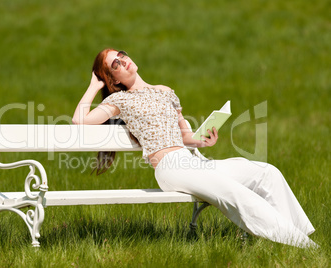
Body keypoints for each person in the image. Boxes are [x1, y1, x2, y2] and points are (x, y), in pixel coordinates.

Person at [72, 48, 317, 248]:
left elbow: (184, 135)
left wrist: (202, 140)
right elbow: (79, 120)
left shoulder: (165, 92)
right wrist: (94, 86)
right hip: (171, 168)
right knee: (233, 192)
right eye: (114, 65)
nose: (122, 61)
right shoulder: (119, 100)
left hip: (192, 162)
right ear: (112, 79)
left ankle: (300, 235)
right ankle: (302, 247)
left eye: (122, 55)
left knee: (267, 172)